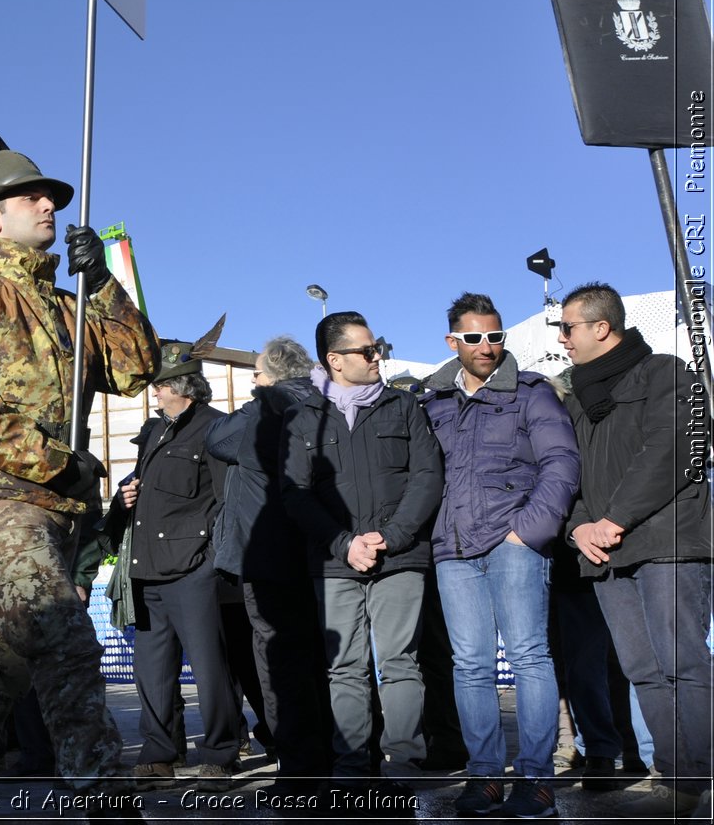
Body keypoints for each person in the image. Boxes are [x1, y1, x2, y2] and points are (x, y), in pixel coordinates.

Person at [0, 138, 159, 821]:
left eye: (51, 195)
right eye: (33, 195)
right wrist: (57, 460)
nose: (50, 203)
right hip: (2, 502)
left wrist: (104, 286)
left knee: (3, 656)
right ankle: (105, 797)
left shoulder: (66, 305)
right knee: (64, 636)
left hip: (63, 511)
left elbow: (136, 368)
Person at [417, 294, 579, 818]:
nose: (486, 346)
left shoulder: (531, 392)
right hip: (453, 549)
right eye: (473, 338)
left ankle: (537, 782)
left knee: (530, 656)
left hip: (513, 544)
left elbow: (561, 463)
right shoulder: (430, 401)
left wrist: (525, 534)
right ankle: (484, 777)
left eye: (495, 336)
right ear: (452, 342)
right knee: (469, 666)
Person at [556, 282, 713, 818]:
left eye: (568, 327)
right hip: (604, 552)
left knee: (682, 661)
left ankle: (701, 777)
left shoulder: (667, 373)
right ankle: (676, 777)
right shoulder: (578, 398)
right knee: (642, 667)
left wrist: (613, 519)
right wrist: (580, 527)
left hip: (667, 542)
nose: (562, 338)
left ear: (601, 327)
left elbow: (668, 452)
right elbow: (569, 474)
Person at [281, 310, 444, 800]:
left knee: (400, 662)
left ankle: (404, 760)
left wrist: (390, 537)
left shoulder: (403, 406)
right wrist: (344, 544)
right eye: (367, 351)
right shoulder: (304, 417)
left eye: (379, 348)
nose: (378, 357)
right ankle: (352, 765)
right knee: (344, 667)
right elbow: (294, 492)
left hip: (401, 556)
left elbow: (427, 476)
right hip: (334, 562)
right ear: (335, 360)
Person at [105, 339, 236, 793]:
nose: (154, 394)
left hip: (193, 571)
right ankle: (160, 753)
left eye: (159, 386)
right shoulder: (153, 431)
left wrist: (210, 560)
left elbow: (226, 503)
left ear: (184, 388)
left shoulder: (216, 430)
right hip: (147, 570)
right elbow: (143, 492)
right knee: (151, 672)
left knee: (209, 668)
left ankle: (220, 754)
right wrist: (122, 501)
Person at [207, 335, 330, 796]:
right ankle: (339, 758)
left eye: (256, 375)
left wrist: (261, 394)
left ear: (273, 377)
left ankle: (298, 771)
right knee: (327, 661)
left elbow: (217, 439)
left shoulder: (267, 408)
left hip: (269, 555)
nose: (252, 382)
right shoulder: (324, 402)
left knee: (279, 662)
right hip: (316, 551)